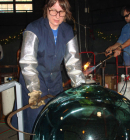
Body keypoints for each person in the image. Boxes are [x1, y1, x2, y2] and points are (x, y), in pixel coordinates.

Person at [12, 0, 85, 133]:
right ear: (47, 9)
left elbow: (73, 62)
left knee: (56, 119)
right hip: (34, 80)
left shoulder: (67, 31)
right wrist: (34, 90)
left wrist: (81, 87)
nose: (57, 16)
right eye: (53, 10)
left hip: (55, 81)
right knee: (37, 122)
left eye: (61, 12)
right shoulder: (34, 28)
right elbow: (28, 61)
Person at [105, 5, 130, 109]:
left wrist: (119, 48)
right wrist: (111, 48)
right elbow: (120, 41)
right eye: (124, 16)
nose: (125, 18)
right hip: (128, 63)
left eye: (127, 15)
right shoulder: (125, 28)